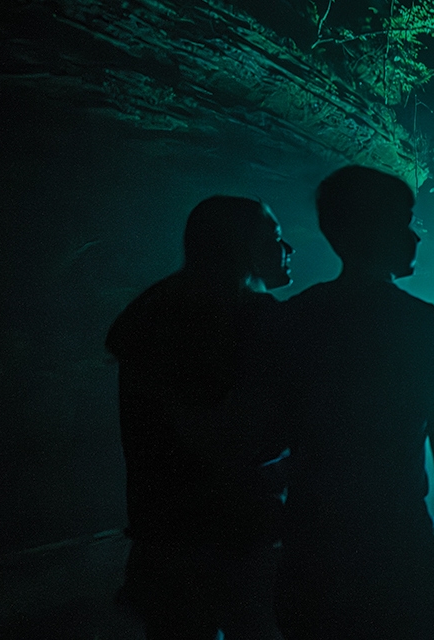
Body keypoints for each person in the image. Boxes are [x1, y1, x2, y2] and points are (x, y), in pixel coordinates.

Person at [270, 166, 434, 638]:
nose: (414, 236)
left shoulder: (291, 321)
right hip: (400, 552)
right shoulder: (426, 330)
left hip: (312, 556)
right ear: (372, 230)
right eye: (402, 222)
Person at [106, 196, 294, 639]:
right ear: (241, 248)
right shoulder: (253, 318)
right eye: (275, 239)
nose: (288, 250)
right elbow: (223, 439)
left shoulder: (152, 311)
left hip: (162, 542)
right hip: (239, 540)